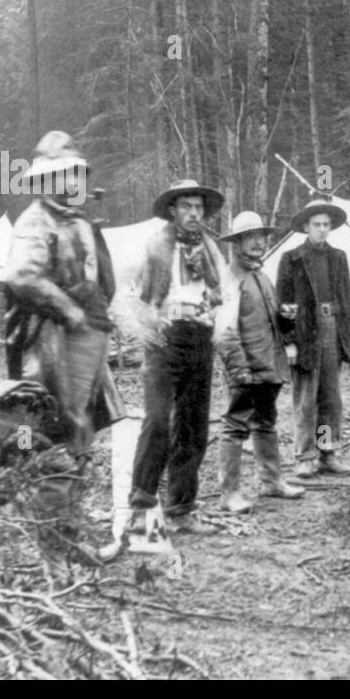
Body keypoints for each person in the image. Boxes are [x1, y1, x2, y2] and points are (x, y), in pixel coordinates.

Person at [1, 131, 124, 458]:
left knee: (81, 410)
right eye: (64, 175)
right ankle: (28, 473)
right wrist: (68, 309)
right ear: (46, 179)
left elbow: (99, 275)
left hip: (89, 333)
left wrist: (95, 312)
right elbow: (21, 274)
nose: (72, 182)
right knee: (38, 408)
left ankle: (69, 477)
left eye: (75, 175)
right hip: (49, 337)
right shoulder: (35, 221)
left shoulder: (78, 219)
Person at [129, 179, 232, 533]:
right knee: (158, 420)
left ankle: (182, 509)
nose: (192, 213)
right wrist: (145, 327)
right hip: (165, 338)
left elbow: (225, 292)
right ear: (173, 210)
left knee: (193, 425)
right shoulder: (156, 245)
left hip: (199, 336)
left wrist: (217, 325)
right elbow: (135, 293)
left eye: (198, 208)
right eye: (186, 206)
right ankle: (140, 507)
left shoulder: (210, 247)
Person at [215, 211, 305, 514]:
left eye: (261, 236)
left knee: (266, 422)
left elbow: (272, 322)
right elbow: (225, 330)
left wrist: (286, 319)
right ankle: (229, 493)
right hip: (247, 366)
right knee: (235, 426)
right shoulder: (230, 278)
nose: (258, 242)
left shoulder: (262, 276)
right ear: (237, 242)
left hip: (269, 364)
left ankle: (272, 481)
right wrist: (238, 368)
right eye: (250, 237)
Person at [276, 199, 350, 478]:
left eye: (326, 225)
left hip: (332, 328)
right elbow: (284, 303)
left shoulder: (338, 257)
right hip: (304, 332)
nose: (322, 230)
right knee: (306, 397)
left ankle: (327, 452)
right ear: (306, 227)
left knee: (330, 397)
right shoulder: (292, 259)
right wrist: (288, 340)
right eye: (316, 225)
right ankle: (305, 456)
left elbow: (346, 298)